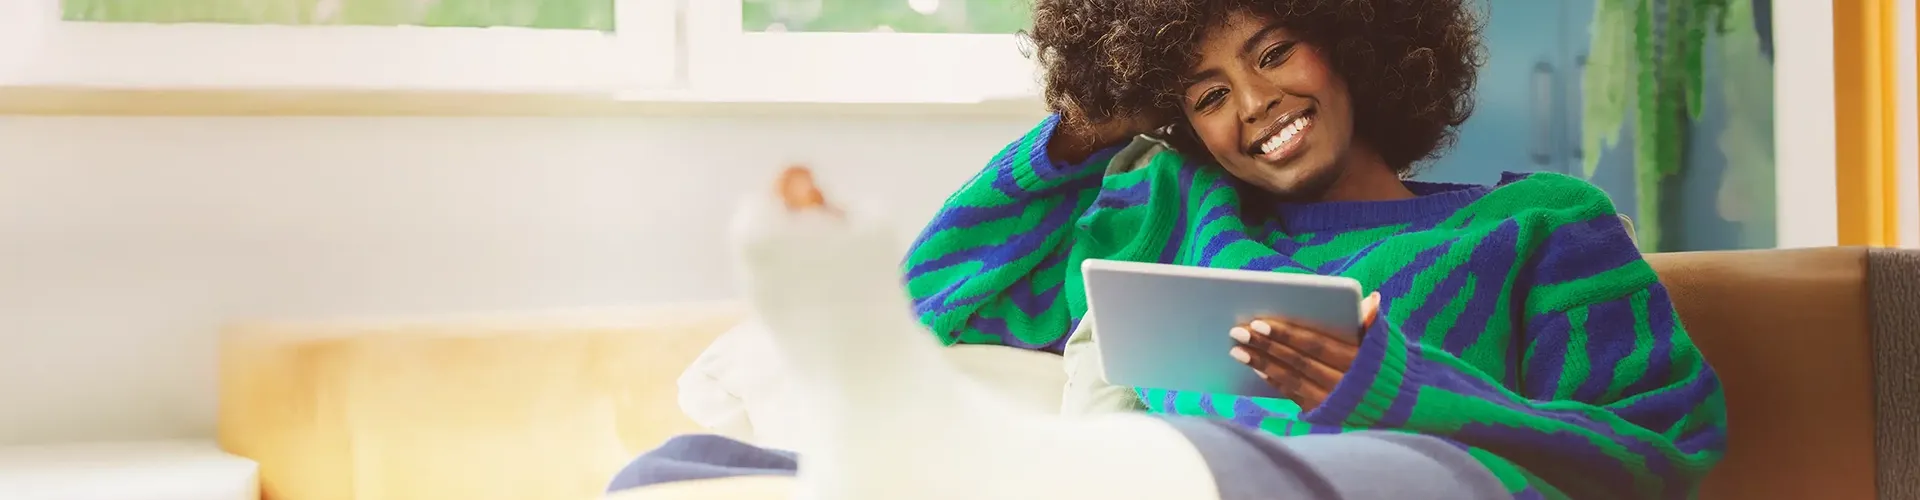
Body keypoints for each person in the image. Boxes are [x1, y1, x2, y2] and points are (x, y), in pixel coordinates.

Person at [609, 1, 1726, 498]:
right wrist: (1074, 139)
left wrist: (1403, 391)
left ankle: (975, 474)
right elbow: (939, 307)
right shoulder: (1173, 204)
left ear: (1355, 34)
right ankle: (946, 466)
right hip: (1156, 485)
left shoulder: (1538, 223)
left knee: (1406, 477)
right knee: (683, 474)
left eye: (1275, 49)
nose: (1255, 105)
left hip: (1433, 484)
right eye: (1204, 94)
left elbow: (1661, 451)